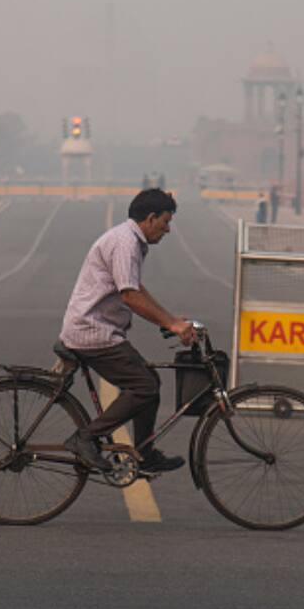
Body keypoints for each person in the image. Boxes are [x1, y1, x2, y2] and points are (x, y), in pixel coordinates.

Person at [58, 188, 196, 474]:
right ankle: (86, 437)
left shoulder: (130, 239)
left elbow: (135, 288)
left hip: (99, 329)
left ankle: (144, 453)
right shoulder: (125, 243)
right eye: (165, 222)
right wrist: (171, 324)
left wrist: (169, 319)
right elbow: (130, 296)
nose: (168, 230)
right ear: (150, 217)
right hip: (92, 332)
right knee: (145, 386)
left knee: (149, 381)